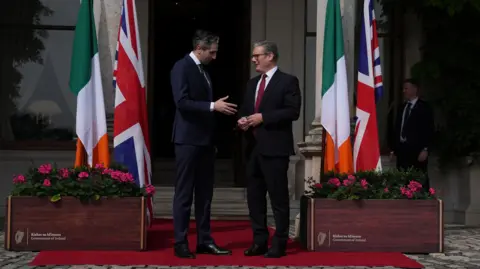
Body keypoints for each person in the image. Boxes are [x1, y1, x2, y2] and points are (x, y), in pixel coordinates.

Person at [170, 29, 236, 258]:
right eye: (212, 52)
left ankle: (204, 240)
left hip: (206, 142)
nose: (215, 57)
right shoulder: (182, 67)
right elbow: (182, 101)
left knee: (205, 195)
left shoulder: (204, 71)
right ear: (199, 48)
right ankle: (180, 242)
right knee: (184, 193)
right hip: (187, 141)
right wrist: (212, 106)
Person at [237, 40, 301, 258]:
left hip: (275, 150)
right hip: (252, 150)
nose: (254, 59)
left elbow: (292, 112)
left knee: (278, 199)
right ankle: (259, 241)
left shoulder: (288, 81)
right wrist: (243, 121)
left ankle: (280, 243)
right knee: (254, 199)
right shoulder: (251, 84)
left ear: (270, 56)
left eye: (257, 55)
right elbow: (246, 110)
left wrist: (263, 117)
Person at [391, 78, 434, 189]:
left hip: (417, 150)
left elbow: (429, 129)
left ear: (414, 89)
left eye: (406, 88)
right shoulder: (402, 107)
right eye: (403, 89)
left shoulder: (424, 107)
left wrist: (426, 149)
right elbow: (397, 128)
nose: (404, 91)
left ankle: (422, 201)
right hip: (402, 150)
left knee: (419, 178)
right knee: (402, 178)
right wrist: (394, 149)